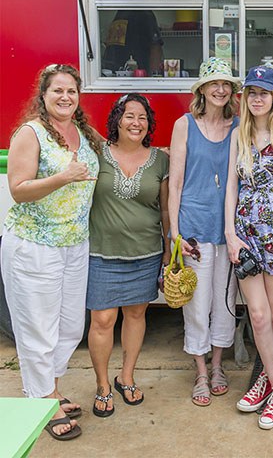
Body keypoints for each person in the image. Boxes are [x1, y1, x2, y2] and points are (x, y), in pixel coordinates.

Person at [1, 64, 101, 440]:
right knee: (37, 330)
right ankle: (40, 400)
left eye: (71, 91)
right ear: (43, 95)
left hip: (74, 244)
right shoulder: (31, 133)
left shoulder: (81, 133)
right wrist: (62, 177)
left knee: (70, 327)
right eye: (57, 90)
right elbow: (19, 188)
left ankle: (51, 388)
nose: (65, 97)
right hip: (34, 246)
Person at [226, 66, 273, 429]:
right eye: (252, 91)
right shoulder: (237, 135)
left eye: (264, 91)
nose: (257, 98)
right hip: (245, 233)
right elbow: (230, 188)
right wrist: (230, 234)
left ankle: (265, 379)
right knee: (256, 315)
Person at [86, 93, 170, 418]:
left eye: (142, 118)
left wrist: (167, 251)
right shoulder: (98, 154)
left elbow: (164, 208)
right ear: (117, 120)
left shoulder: (160, 160)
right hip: (103, 253)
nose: (136, 123)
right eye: (129, 115)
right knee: (102, 320)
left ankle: (127, 376)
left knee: (136, 315)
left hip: (146, 252)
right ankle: (103, 384)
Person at [168, 57, 241, 407]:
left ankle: (217, 366)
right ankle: (199, 369)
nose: (221, 88)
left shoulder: (239, 126)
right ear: (202, 89)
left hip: (228, 228)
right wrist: (175, 234)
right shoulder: (185, 125)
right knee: (196, 305)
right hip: (194, 227)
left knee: (225, 302)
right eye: (214, 83)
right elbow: (176, 184)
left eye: (226, 84)